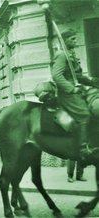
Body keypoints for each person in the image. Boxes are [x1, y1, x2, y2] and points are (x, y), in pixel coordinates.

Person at [51, 28, 99, 161]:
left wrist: (93, 82)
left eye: (75, 38)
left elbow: (77, 75)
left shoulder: (70, 54)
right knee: (84, 114)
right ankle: (83, 149)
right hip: (67, 93)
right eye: (72, 39)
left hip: (77, 89)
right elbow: (57, 76)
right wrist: (72, 89)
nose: (75, 41)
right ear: (65, 40)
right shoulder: (61, 55)